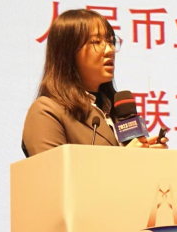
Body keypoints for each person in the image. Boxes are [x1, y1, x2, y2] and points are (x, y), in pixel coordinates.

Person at [21, 9, 168, 157]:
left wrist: (151, 158)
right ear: (68, 51)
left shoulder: (117, 111)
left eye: (110, 41)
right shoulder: (47, 111)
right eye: (96, 42)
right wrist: (127, 157)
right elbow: (53, 170)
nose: (109, 50)